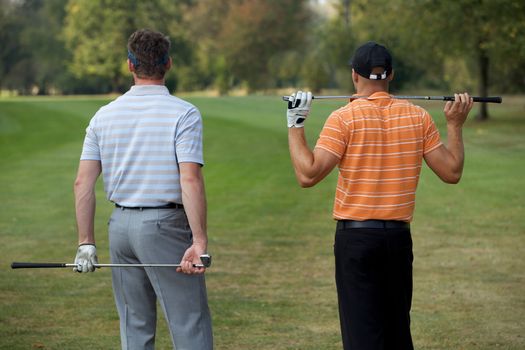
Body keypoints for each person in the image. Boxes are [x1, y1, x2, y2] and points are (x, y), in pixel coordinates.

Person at [286, 41, 473, 350]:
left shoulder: (343, 118)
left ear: (354, 76)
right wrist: (455, 125)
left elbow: (308, 175)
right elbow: (451, 172)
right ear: (392, 75)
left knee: (363, 338)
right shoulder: (418, 117)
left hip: (357, 241)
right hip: (398, 241)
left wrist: (296, 125)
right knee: (396, 334)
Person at [72, 29, 213, 350]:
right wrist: (200, 241)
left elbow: (83, 182)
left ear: (130, 65)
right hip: (166, 227)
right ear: (169, 64)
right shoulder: (184, 113)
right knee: (188, 321)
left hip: (120, 228)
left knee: (134, 325)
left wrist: (85, 243)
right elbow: (189, 179)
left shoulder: (103, 115)